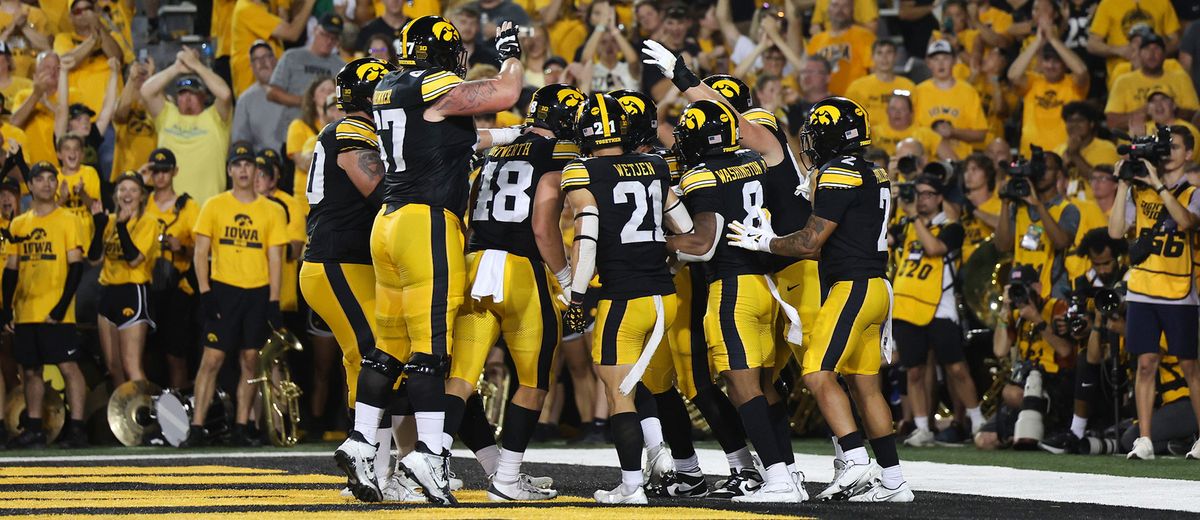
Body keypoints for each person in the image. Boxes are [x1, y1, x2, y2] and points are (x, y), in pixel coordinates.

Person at [345, 16, 524, 505]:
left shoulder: (388, 86)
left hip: (388, 222)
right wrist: (511, 54)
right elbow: (505, 91)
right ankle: (428, 453)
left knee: (388, 346)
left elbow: (455, 140)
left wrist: (512, 137)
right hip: (426, 223)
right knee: (431, 351)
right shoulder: (434, 84)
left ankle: (362, 440)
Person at [726, 96, 914, 502]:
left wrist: (768, 242)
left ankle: (854, 460)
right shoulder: (874, 170)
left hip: (853, 288)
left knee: (815, 372)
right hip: (878, 287)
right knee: (867, 387)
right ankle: (895, 480)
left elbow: (811, 242)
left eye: (816, 132)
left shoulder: (837, 174)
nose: (810, 141)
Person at [443, 83, 586, 502]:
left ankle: (430, 462)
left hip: (475, 264)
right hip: (519, 269)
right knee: (534, 379)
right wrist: (563, 277)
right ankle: (506, 478)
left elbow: (468, 206)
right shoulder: (557, 153)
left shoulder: (497, 150)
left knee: (461, 377)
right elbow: (544, 226)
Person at [560, 93, 682, 504]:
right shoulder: (655, 164)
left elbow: (589, 229)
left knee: (618, 393)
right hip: (664, 294)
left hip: (623, 296)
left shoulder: (582, 171)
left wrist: (576, 298)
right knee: (630, 380)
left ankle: (631, 486)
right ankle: (659, 453)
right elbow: (681, 227)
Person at [304, 58, 416, 502]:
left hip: (351, 263)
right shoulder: (350, 131)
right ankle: (377, 469)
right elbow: (376, 186)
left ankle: (378, 472)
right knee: (380, 356)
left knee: (366, 366)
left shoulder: (364, 132)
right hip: (337, 261)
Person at [184, 141, 287, 448]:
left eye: (248, 164)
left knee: (250, 360)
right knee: (212, 358)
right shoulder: (214, 205)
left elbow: (275, 258)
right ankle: (198, 426)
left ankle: (242, 424)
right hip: (224, 290)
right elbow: (200, 253)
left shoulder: (271, 210)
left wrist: (273, 300)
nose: (243, 169)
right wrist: (205, 292)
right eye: (237, 164)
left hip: (256, 292)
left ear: (256, 171)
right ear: (229, 170)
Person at [1107, 126, 1200, 460]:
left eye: (1175, 146)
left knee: (1190, 366)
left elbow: (1186, 222)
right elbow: (1116, 230)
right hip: (1143, 290)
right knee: (1145, 364)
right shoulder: (1139, 190)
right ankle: (1144, 439)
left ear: (1189, 153)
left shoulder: (1192, 192)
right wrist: (1123, 184)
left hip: (1178, 291)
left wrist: (1159, 185)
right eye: (1165, 146)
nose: (1168, 152)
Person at [890, 175, 986, 446]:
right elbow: (884, 236)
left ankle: (977, 420)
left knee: (956, 367)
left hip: (940, 307)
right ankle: (922, 427)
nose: (921, 199)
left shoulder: (952, 227)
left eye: (928, 194)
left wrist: (913, 218)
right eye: (917, 194)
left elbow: (934, 248)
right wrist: (896, 204)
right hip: (907, 304)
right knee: (914, 371)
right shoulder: (906, 225)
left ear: (940, 197)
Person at [2, 162, 89, 449]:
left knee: (68, 366)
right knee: (30, 370)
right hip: (27, 309)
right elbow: (12, 270)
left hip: (56, 311)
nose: (47, 184)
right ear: (32, 185)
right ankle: (35, 428)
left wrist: (62, 306)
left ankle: (77, 428)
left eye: (52, 179)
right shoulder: (19, 223)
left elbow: (76, 266)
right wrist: (6, 308)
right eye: (40, 179)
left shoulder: (68, 219)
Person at [88, 171, 158, 386]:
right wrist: (99, 225)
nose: (127, 194)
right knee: (113, 366)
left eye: (133, 189)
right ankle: (124, 418)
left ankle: (149, 417)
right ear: (116, 194)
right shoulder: (109, 221)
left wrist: (121, 226)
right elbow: (93, 259)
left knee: (131, 366)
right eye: (123, 189)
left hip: (132, 292)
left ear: (142, 195)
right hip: (108, 291)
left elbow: (135, 259)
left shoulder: (148, 222)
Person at [142, 47, 233, 206]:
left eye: (193, 93)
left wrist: (197, 66)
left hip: (207, 209)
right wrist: (176, 68)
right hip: (171, 211)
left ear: (204, 96)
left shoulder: (215, 118)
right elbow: (146, 91)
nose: (188, 98)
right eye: (183, 94)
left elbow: (224, 94)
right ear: (177, 97)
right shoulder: (167, 115)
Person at [142, 148, 199, 390]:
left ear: (174, 172)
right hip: (146, 285)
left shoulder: (188, 206)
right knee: (145, 353)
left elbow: (202, 249)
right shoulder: (141, 202)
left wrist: (182, 246)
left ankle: (177, 408)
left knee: (175, 354)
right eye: (155, 171)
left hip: (178, 288)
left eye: (165, 171)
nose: (160, 176)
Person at [995, 152, 1080, 300]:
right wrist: (1005, 203)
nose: (1040, 173)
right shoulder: (1019, 208)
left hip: (1053, 293)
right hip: (1019, 289)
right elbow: (1002, 246)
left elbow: (1061, 242)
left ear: (1058, 174)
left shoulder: (1067, 209)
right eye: (1036, 168)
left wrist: (1038, 205)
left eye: (1046, 169)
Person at [1008, 23, 1089, 155]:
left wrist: (1053, 39)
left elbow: (1082, 71)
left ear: (1065, 64)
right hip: (1031, 156)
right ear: (1040, 62)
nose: (1051, 66)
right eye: (1047, 60)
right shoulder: (1033, 82)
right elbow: (1013, 75)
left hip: (1063, 156)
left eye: (1056, 61)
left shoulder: (1073, 84)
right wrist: (1038, 41)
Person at [1105, 32, 1198, 129]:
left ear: (1164, 54)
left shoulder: (1180, 77)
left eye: (1156, 49)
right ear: (1139, 54)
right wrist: (1145, 113)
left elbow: (1196, 116)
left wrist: (1167, 111)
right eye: (1146, 49)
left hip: (1176, 139)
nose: (1151, 54)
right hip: (1135, 141)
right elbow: (1112, 123)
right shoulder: (1123, 81)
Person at [913, 40, 987, 160]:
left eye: (945, 58)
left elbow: (981, 134)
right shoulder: (918, 92)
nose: (941, 64)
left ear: (954, 61)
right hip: (927, 163)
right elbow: (912, 131)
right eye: (936, 59)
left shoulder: (968, 91)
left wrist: (954, 132)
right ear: (929, 63)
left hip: (961, 160)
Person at [268, 14, 347, 125]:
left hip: (328, 130)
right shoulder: (292, 57)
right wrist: (307, 101)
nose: (329, 41)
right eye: (325, 35)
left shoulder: (342, 67)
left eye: (334, 38)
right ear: (315, 30)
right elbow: (272, 93)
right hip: (292, 125)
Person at [229, 0, 314, 97]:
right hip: (254, 92)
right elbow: (292, 33)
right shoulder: (246, 9)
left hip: (271, 87)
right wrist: (310, 2)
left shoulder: (264, 6)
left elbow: (288, 19)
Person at [1087, 0, 1181, 77]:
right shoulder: (1108, 4)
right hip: (1121, 78)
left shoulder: (1163, 2)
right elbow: (1092, 44)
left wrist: (1156, 53)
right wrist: (1118, 50)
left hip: (1159, 76)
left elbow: (1176, 41)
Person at [807, 0, 875, 96]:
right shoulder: (816, 40)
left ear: (852, 10)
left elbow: (874, 73)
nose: (839, 10)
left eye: (845, 6)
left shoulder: (865, 36)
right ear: (828, 9)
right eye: (835, 5)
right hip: (824, 102)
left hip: (854, 100)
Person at [845, 40, 915, 130]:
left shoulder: (908, 86)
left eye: (889, 52)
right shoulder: (857, 87)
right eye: (879, 53)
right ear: (872, 57)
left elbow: (914, 119)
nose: (884, 58)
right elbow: (848, 119)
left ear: (896, 56)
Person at [232, 40, 287, 153]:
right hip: (264, 165)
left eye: (266, 56)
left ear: (275, 60)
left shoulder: (294, 90)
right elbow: (240, 142)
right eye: (256, 59)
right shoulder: (245, 100)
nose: (262, 62)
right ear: (252, 66)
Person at [1057, 101, 1120, 187]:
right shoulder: (1058, 150)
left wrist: (1074, 155)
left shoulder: (1106, 149)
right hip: (1067, 200)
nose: (1074, 125)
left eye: (1080, 120)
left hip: (1095, 200)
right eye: (1070, 120)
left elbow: (1104, 183)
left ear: (1091, 124)